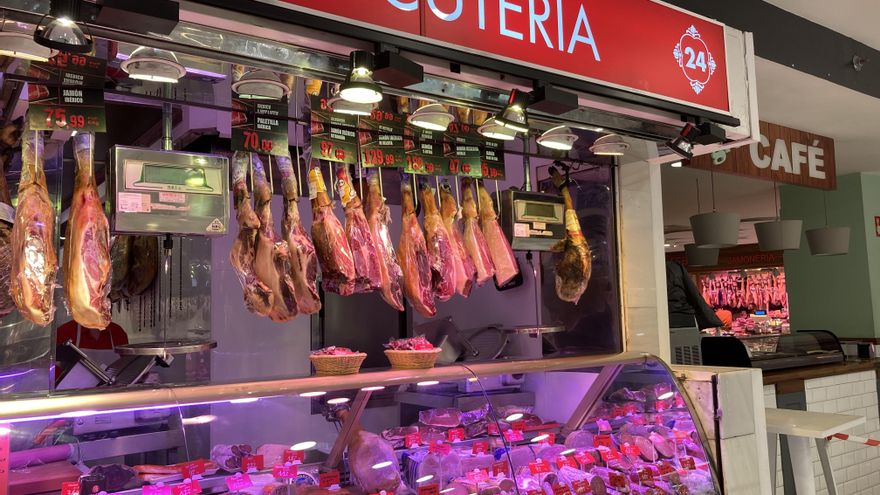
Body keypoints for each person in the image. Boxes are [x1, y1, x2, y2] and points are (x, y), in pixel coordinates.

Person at [666, 260, 722, 329]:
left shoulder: (665, 267)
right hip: (683, 315)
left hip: (668, 315)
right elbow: (693, 292)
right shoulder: (675, 267)